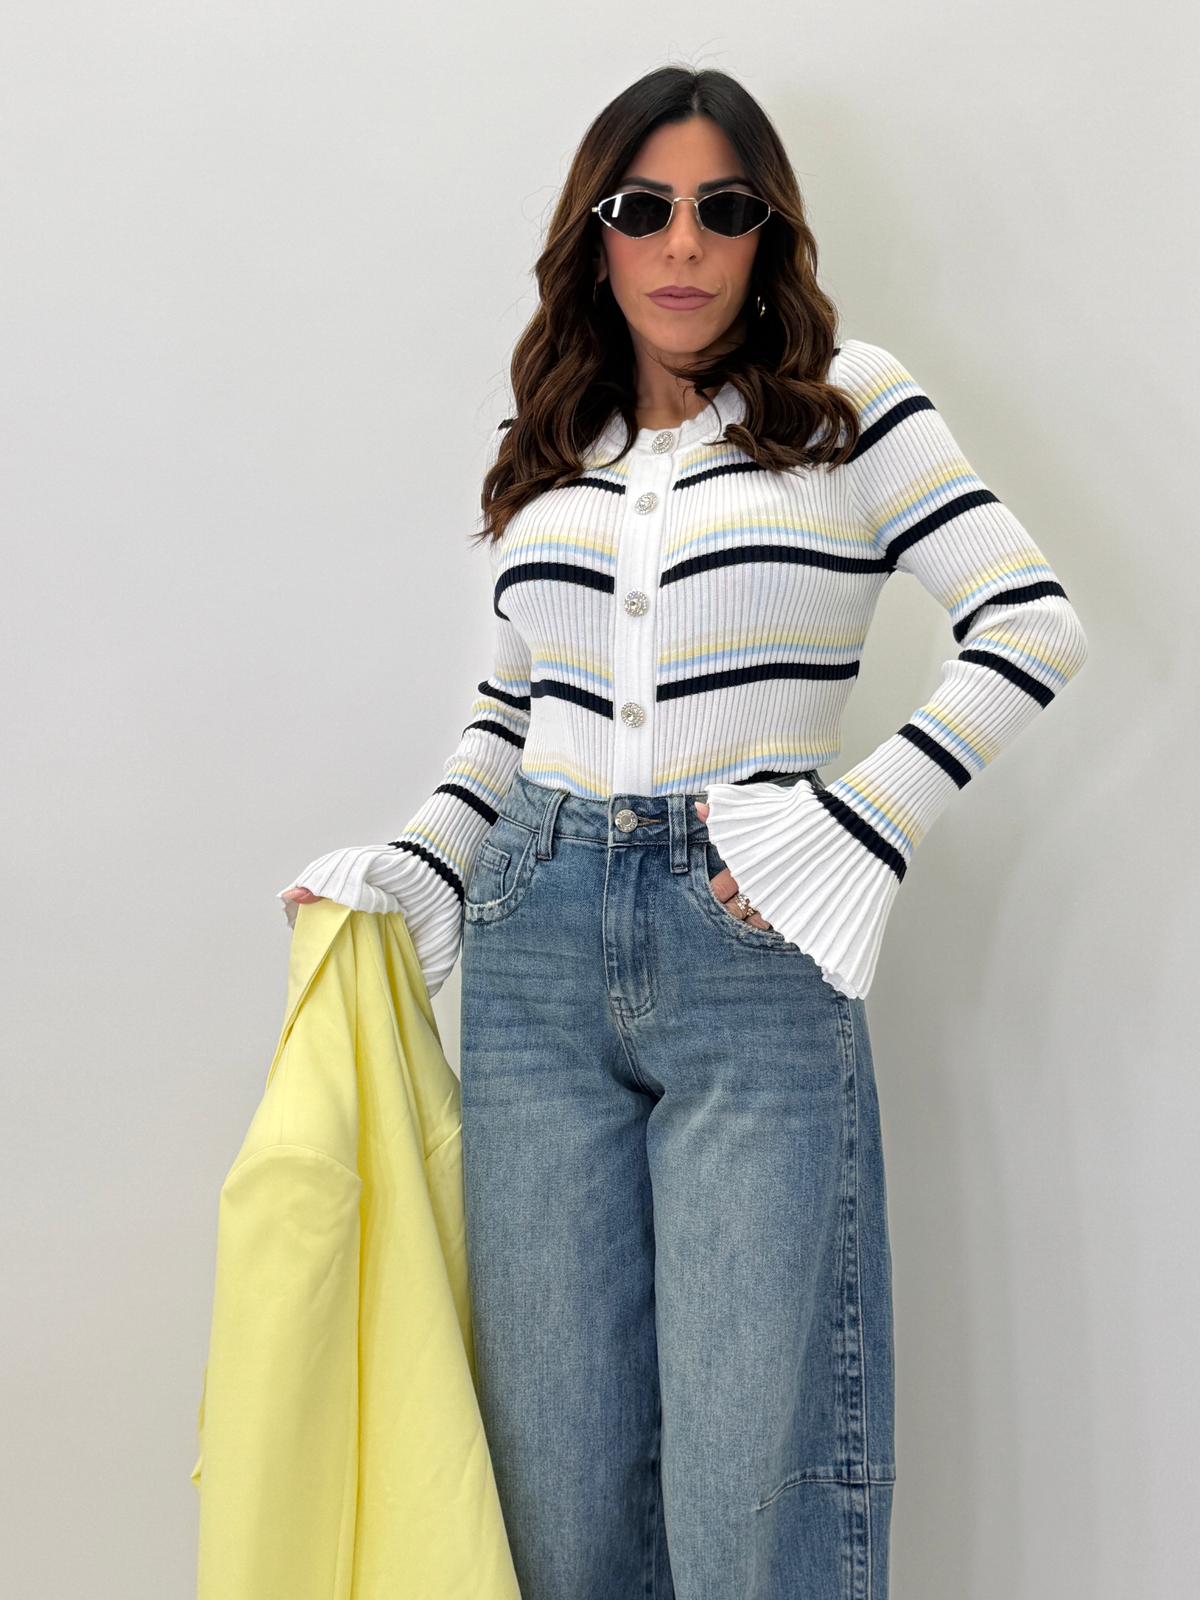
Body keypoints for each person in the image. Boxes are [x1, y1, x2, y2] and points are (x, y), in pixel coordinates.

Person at [278, 65, 1087, 1600]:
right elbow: (513, 710)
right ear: (594, 234)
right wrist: (420, 865)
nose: (684, 243)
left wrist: (852, 827)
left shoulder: (850, 403)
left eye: (725, 208)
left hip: (747, 943)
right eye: (643, 208)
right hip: (534, 946)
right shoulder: (554, 441)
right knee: (556, 1473)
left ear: (769, 231)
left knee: (747, 1473)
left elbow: (1030, 625)